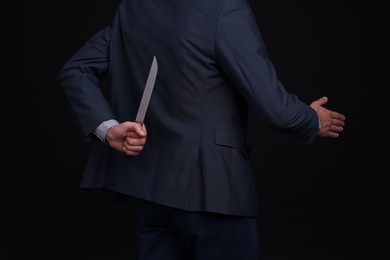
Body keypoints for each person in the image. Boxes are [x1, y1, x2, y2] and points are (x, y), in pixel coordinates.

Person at [59, 0, 346, 259]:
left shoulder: (133, 8)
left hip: (152, 193)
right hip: (213, 190)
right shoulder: (224, 9)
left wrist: (108, 130)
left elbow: (75, 69)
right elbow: (274, 108)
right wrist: (312, 119)